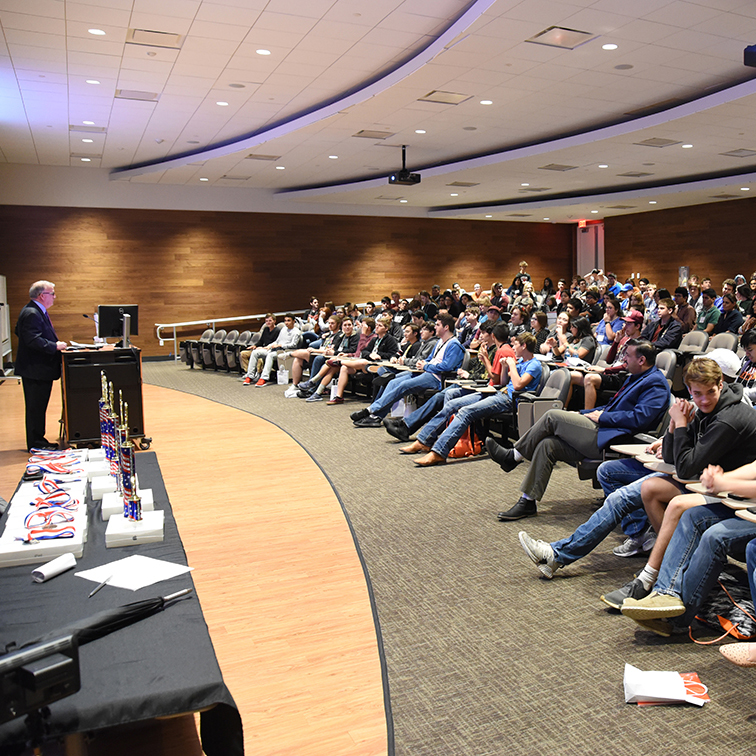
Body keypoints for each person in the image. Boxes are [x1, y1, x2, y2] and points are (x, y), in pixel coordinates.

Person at [487, 339, 671, 521]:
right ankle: (528, 501)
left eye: (628, 356)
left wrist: (603, 417)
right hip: (604, 430)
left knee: (553, 415)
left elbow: (641, 419)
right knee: (547, 444)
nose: (624, 360)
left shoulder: (655, 383)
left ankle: (513, 456)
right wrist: (582, 413)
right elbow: (610, 407)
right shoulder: (636, 377)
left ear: (641, 360)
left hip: (614, 440)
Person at [410, 332, 542, 466]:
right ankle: (424, 441)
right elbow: (502, 381)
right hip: (498, 392)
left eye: (516, 345)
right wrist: (505, 367)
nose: (513, 348)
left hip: (509, 400)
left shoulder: (534, 365)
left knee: (465, 411)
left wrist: (512, 366)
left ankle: (438, 452)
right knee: (452, 404)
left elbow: (519, 385)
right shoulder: (519, 361)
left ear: (524, 346)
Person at [350, 312, 465, 426]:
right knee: (393, 381)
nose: (435, 327)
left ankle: (370, 410)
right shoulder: (440, 341)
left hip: (436, 377)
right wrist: (423, 363)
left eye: (438, 325)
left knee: (403, 386)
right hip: (426, 371)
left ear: (446, 327)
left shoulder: (454, 344)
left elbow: (447, 366)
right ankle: (375, 417)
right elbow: (431, 358)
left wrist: (426, 366)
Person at [15, 280, 67, 451]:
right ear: (41, 295)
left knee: (37, 407)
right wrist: (54, 346)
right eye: (52, 293)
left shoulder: (33, 310)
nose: (54, 297)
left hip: (37, 369)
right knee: (36, 407)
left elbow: (19, 331)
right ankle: (36, 443)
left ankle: (38, 440)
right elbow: (32, 340)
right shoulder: (32, 313)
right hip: (35, 370)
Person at [243, 313, 301, 386]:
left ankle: (264, 378)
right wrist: (269, 346)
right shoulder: (283, 329)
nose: (286, 323)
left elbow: (293, 345)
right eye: (285, 321)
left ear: (294, 321)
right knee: (255, 352)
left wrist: (280, 345)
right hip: (276, 349)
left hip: (285, 351)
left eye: (288, 321)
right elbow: (277, 341)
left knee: (270, 355)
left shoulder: (296, 332)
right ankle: (250, 376)